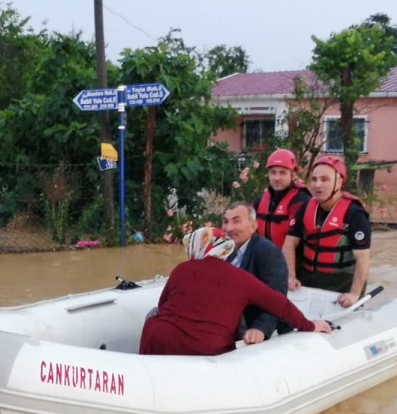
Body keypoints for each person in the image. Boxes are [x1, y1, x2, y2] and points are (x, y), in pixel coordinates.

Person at [139, 227, 332, 356]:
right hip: (207, 348)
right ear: (223, 249)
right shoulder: (241, 278)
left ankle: (143, 368)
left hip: (160, 341)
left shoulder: (181, 269)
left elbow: (162, 305)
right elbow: (280, 304)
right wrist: (309, 325)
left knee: (153, 314)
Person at [283, 155, 371, 308]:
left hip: (342, 284)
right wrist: (291, 276)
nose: (317, 185)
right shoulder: (305, 208)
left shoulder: (355, 215)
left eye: (325, 179)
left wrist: (354, 294)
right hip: (309, 280)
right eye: (314, 179)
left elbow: (362, 259)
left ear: (339, 181)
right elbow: (289, 244)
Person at [222, 201, 291, 344]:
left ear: (253, 226)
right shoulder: (225, 251)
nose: (228, 228)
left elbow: (276, 296)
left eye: (236, 222)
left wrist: (260, 328)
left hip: (254, 324)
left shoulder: (268, 252)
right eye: (225, 222)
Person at [252, 148, 311, 249]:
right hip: (265, 259)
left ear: (292, 175)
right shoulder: (260, 201)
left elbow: (292, 241)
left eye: (282, 173)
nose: (277, 178)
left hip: (291, 260)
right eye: (273, 172)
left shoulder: (301, 200)